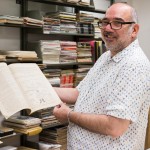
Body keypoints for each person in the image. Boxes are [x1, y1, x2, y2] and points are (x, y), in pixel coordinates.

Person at [53, 2, 150, 150]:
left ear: (134, 30)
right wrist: (42, 89)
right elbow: (79, 93)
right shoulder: (106, 57)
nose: (107, 28)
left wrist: (69, 115)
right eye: (105, 22)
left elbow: (114, 126)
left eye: (117, 23)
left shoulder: (134, 65)